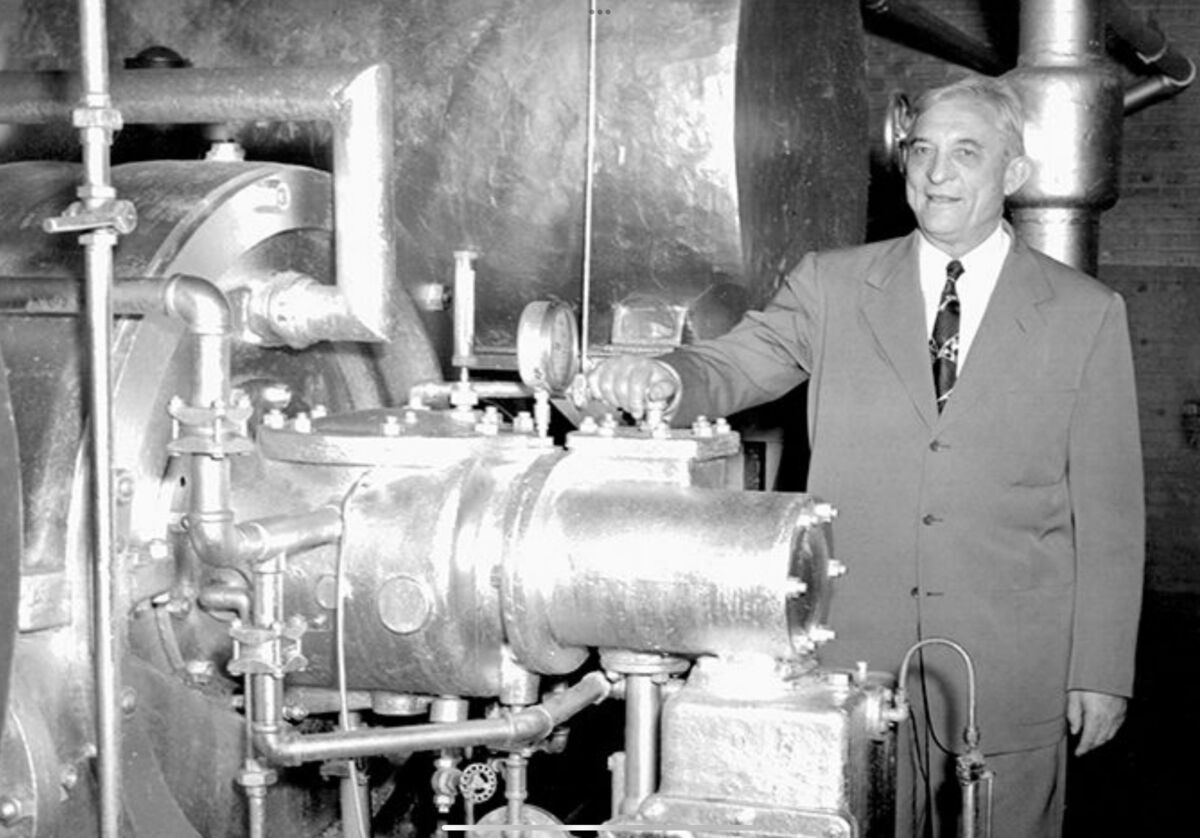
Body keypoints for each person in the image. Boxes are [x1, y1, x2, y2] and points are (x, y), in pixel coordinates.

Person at [587, 74, 1144, 838]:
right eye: (922, 151)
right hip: (851, 663)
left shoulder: (1085, 313)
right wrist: (670, 378)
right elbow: (736, 363)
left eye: (966, 153)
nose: (937, 173)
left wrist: (1102, 671)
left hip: (1009, 670)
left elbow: (1110, 516)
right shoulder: (833, 285)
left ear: (1013, 172)